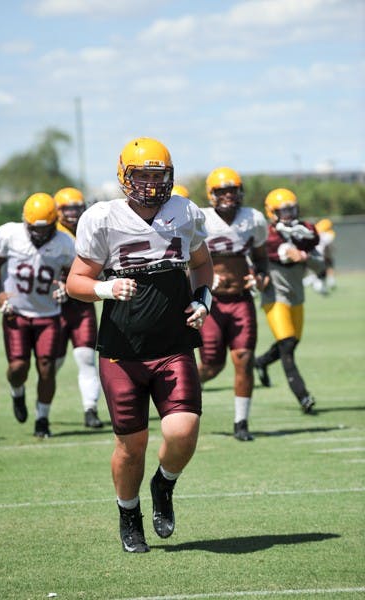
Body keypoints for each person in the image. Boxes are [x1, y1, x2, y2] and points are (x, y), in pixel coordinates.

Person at [66, 136, 213, 553]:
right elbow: (75, 282)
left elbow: (202, 265)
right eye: (142, 174)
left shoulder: (185, 211)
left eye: (158, 174)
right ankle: (128, 512)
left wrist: (203, 300)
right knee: (132, 446)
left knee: (183, 432)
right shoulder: (102, 217)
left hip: (173, 343)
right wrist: (106, 288)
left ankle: (163, 487)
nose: (150, 183)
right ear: (124, 176)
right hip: (122, 350)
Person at [0, 193, 76, 438]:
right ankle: (17, 392)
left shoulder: (65, 243)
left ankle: (42, 419)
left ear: (53, 223)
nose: (37, 234)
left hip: (48, 314)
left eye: (44, 229)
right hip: (16, 312)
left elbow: (75, 272)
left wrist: (65, 286)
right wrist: (0, 295)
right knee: (18, 367)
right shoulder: (9, 234)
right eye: (32, 229)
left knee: (46, 367)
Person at [197, 167, 269, 442]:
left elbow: (261, 257)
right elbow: (186, 258)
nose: (228, 195)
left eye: (232, 190)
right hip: (211, 302)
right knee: (212, 366)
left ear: (240, 192)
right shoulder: (201, 219)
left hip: (241, 299)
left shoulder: (253, 219)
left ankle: (241, 422)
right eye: (221, 191)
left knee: (245, 359)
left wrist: (260, 276)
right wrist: (198, 282)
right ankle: (185, 388)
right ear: (211, 194)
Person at [254, 188, 325, 413]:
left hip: (296, 296)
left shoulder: (301, 232)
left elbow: (320, 265)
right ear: (271, 212)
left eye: (291, 209)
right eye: (282, 211)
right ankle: (303, 397)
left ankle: (261, 362)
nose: (288, 215)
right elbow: (266, 251)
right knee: (287, 346)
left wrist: (304, 255)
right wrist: (285, 251)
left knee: (292, 341)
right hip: (274, 296)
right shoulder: (266, 234)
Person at [54, 187, 103, 428]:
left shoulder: (91, 227)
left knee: (86, 357)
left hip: (81, 303)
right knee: (53, 362)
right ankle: (42, 408)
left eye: (76, 207)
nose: (73, 213)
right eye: (67, 208)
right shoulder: (51, 234)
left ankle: (90, 409)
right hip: (53, 306)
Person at [303, 218, 337, 295]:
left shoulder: (315, 231)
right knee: (321, 272)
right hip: (318, 255)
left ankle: (320, 287)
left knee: (320, 272)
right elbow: (326, 248)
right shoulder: (329, 235)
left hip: (312, 253)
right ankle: (310, 283)